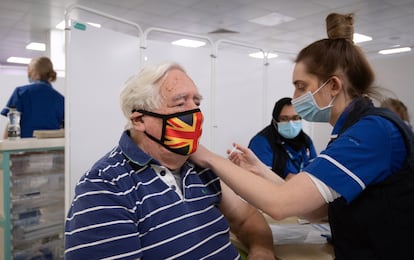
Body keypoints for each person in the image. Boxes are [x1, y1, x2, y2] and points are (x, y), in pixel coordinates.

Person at [190, 13, 414, 259]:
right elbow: (318, 210)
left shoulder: (372, 132)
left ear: (334, 86)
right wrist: (260, 171)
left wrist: (206, 156)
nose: (296, 98)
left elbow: (280, 204)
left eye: (301, 86)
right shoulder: (352, 130)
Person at [64, 62, 275, 259]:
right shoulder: (105, 187)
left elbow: (246, 217)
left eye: (197, 102)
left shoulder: (199, 165)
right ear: (139, 120)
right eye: (180, 103)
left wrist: (262, 252)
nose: (195, 112)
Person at [248, 97, 317, 179]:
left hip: (302, 189)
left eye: (295, 118)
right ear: (275, 121)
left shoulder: (305, 141)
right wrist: (284, 181)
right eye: (284, 119)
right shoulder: (261, 142)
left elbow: (316, 172)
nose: (291, 123)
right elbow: (258, 179)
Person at [1, 56, 64, 138]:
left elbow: (12, 123)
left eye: (29, 72)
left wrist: (5, 148)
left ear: (34, 73)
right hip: (52, 148)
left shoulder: (21, 92)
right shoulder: (60, 99)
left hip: (25, 147)